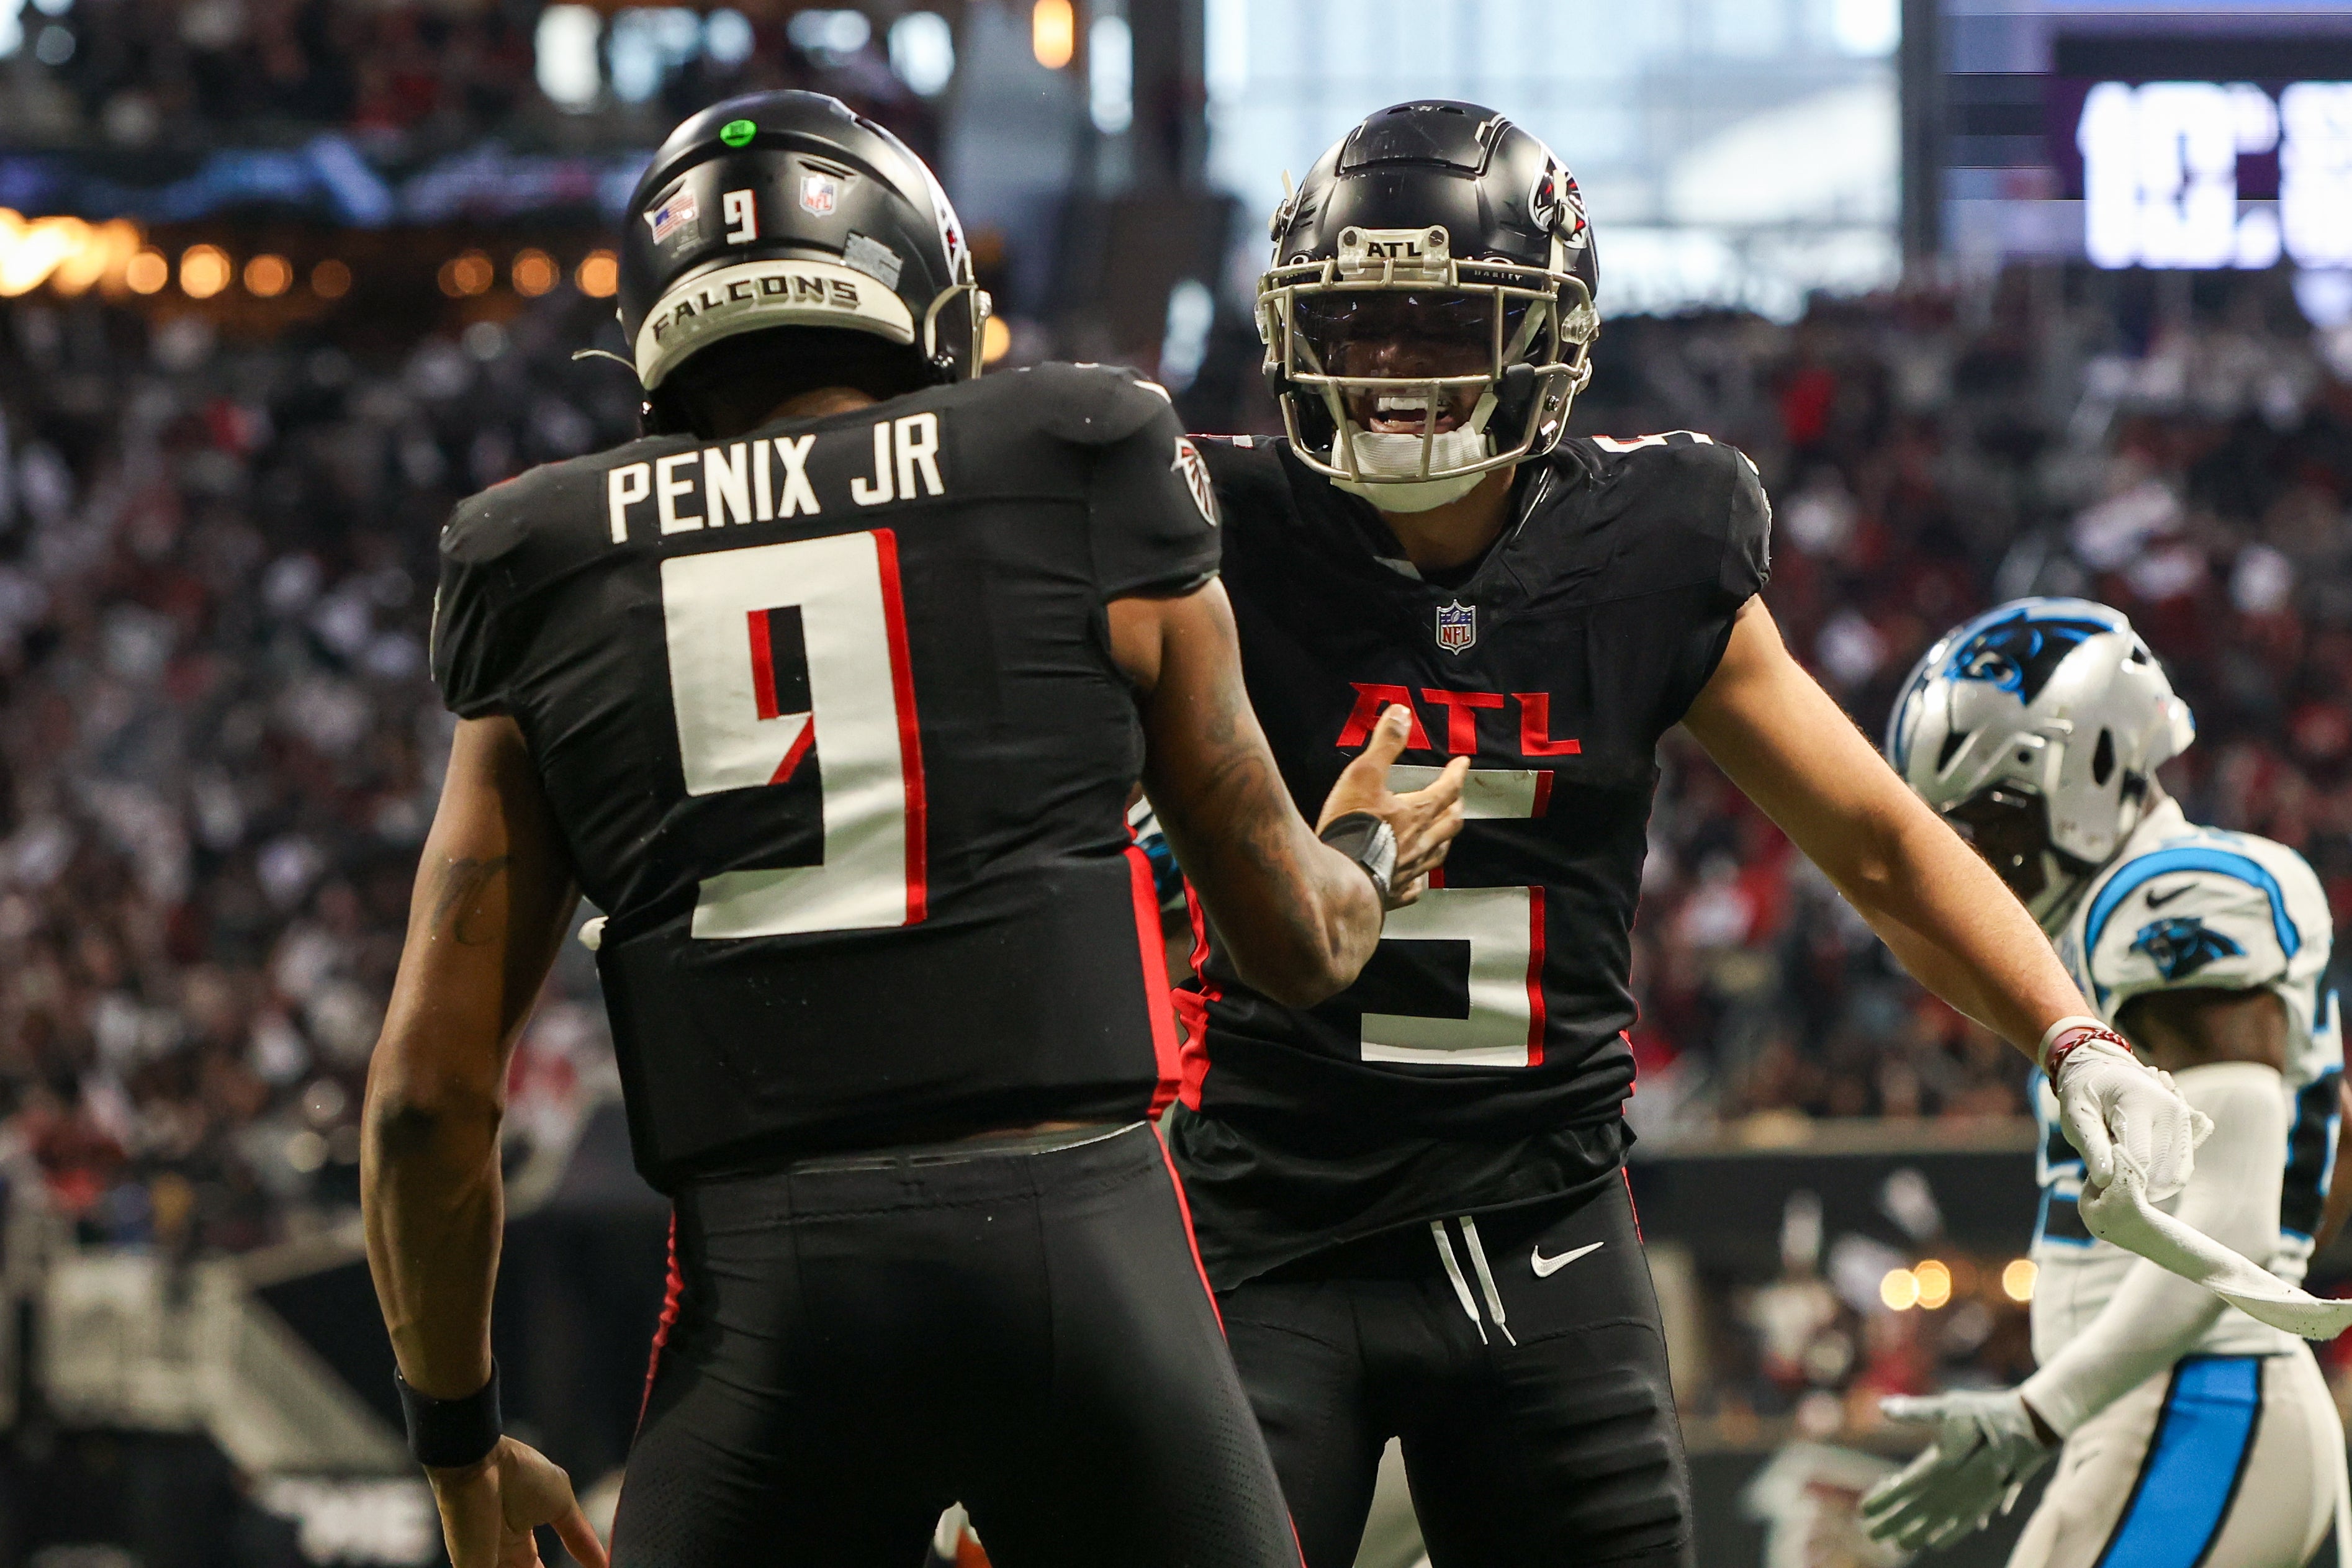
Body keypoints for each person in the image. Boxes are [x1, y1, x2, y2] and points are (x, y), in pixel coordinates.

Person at [359, 90, 1468, 1568]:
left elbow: (426, 1101)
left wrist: (459, 1448)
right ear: (928, 303)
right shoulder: (1083, 453)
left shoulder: (540, 558)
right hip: (1084, 1256)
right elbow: (1295, 943)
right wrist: (1370, 853)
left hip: (768, 1302)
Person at [1160, 99, 2206, 1568]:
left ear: (1548, 333)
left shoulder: (1648, 542)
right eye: (1356, 323)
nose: (1388, 368)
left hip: (1542, 1226)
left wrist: (2069, 1030)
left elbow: (1875, 842)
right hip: (1263, 1217)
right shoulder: (1206, 530)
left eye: (1438, 322)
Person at [1865, 598, 2348, 1567]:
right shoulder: (2105, 921)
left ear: (2086, 768)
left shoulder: (2176, 893)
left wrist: (2037, 1412)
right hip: (2173, 1407)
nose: (1970, 857)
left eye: (1988, 819)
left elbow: (2235, 1225)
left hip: (2198, 1404)